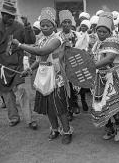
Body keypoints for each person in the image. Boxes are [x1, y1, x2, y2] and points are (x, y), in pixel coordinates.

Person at [12, 7, 73, 144]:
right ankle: (55, 129)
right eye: (42, 25)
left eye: (48, 25)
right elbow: (40, 60)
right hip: (43, 76)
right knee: (48, 107)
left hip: (56, 77)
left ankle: (67, 131)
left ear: (54, 25)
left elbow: (42, 52)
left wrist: (21, 45)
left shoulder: (57, 39)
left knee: (60, 107)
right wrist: (29, 70)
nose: (45, 28)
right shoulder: (41, 39)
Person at [0, 0, 37, 129]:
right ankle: (13, 117)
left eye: (13, 16)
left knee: (22, 90)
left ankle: (29, 120)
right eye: (9, 16)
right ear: (2, 14)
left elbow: (30, 40)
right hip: (1, 65)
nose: (11, 18)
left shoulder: (19, 26)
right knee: (7, 93)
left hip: (17, 64)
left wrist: (27, 25)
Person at [91, 12, 119, 142]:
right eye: (99, 31)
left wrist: (91, 66)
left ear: (110, 32)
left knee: (116, 107)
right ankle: (109, 129)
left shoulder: (114, 42)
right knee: (101, 105)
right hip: (100, 78)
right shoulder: (97, 44)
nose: (101, 34)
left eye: (104, 32)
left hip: (115, 78)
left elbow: (109, 59)